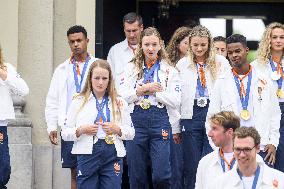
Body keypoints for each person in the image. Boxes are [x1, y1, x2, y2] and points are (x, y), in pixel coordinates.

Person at [119, 27, 181, 189]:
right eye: (147, 44)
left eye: (154, 44)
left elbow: (176, 100)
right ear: (141, 46)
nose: (151, 48)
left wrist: (156, 92)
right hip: (136, 121)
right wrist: (139, 91)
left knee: (162, 174)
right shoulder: (130, 69)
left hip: (160, 120)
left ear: (161, 45)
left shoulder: (170, 71)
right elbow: (120, 96)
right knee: (136, 174)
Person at [206, 34, 281, 167]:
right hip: (233, 148)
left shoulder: (263, 79)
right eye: (230, 53)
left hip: (261, 148)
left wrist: (273, 142)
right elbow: (212, 117)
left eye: (237, 51)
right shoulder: (222, 81)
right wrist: (218, 147)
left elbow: (274, 114)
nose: (234, 55)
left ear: (246, 50)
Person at [61, 59, 134, 188]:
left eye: (104, 78)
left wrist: (117, 129)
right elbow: (65, 133)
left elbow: (131, 133)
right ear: (90, 78)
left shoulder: (119, 101)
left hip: (112, 153)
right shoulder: (78, 101)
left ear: (110, 80)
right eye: (97, 78)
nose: (100, 82)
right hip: (87, 153)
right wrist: (81, 130)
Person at [176, 25, 230, 189]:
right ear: (190, 45)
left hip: (215, 115)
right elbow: (177, 96)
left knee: (212, 160)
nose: (199, 49)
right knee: (191, 165)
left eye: (203, 45)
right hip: (190, 115)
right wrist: (176, 125)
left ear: (209, 45)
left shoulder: (221, 62)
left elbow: (228, 92)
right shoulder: (182, 64)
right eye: (195, 45)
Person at [45, 25, 97, 189]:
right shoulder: (61, 69)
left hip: (94, 125)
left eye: (79, 40)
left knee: (93, 171)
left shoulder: (98, 65)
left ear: (87, 41)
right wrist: (52, 126)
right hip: (70, 126)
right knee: (74, 173)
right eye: (72, 41)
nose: (76, 44)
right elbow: (52, 99)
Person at [251, 22, 284, 172]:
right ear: (268, 40)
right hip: (267, 111)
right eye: (274, 37)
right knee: (273, 154)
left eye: (282, 37)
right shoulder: (257, 65)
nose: (278, 40)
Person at [211, 127, 284, 189]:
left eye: (247, 149)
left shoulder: (280, 180)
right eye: (238, 149)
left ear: (257, 148)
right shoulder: (220, 184)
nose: (242, 155)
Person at [165, 26, 191, 189]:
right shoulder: (169, 67)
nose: (190, 47)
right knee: (175, 166)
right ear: (177, 44)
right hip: (171, 120)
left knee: (190, 164)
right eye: (186, 43)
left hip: (191, 121)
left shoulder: (198, 66)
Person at [0, 46, 29, 188]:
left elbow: (24, 90)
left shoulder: (6, 68)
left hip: (0, 126)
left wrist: (3, 75)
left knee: (3, 168)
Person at [195, 111, 240, 189]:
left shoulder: (253, 160)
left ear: (230, 132)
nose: (209, 134)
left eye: (214, 129)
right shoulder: (205, 162)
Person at [107, 12, 143, 89]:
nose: (131, 35)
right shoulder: (114, 51)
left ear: (141, 28)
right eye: (128, 31)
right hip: (120, 99)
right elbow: (109, 79)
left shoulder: (150, 49)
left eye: (134, 30)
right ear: (124, 29)